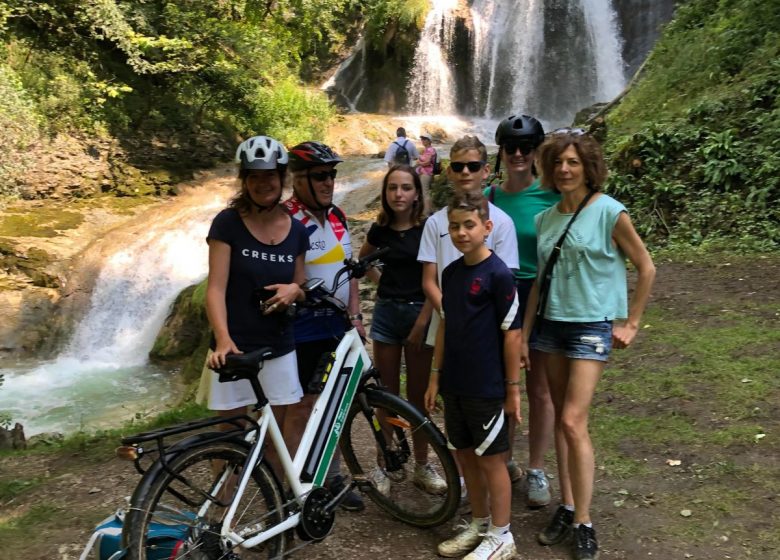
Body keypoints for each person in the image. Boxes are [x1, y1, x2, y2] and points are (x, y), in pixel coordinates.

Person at [521, 129, 655, 560]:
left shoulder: (610, 212)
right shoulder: (544, 220)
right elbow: (540, 282)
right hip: (550, 326)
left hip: (590, 327)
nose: (564, 169)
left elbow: (646, 266)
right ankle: (566, 504)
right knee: (561, 419)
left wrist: (632, 322)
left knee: (575, 421)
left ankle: (584, 522)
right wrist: (525, 335)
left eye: (573, 162)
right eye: (558, 162)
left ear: (588, 168)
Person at [424, 190, 523, 560]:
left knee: (492, 459)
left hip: (486, 384)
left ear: (487, 227)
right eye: (454, 226)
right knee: (465, 455)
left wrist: (512, 389)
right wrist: (435, 376)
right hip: (455, 382)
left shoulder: (499, 274)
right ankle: (480, 523)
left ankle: (502, 534)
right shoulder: (450, 274)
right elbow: (447, 325)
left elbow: (512, 334)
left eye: (469, 225)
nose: (462, 233)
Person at [417, 135, 519, 492]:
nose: (465, 172)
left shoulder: (501, 223)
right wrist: (453, 311)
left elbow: (504, 282)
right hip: (448, 324)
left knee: (490, 409)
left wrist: (467, 316)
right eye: (457, 166)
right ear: (447, 170)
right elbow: (429, 279)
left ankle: (499, 485)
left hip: (486, 333)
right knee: (456, 408)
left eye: (472, 166)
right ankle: (469, 487)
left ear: (485, 170)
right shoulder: (435, 224)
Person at [202, 135, 308, 452]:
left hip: (279, 346)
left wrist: (294, 290)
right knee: (229, 435)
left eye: (269, 175)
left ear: (282, 177)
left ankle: (275, 499)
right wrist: (222, 338)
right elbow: (216, 288)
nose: (263, 183)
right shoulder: (227, 224)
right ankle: (223, 501)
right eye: (255, 176)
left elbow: (301, 287)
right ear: (245, 181)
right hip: (235, 345)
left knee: (276, 434)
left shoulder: (298, 232)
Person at [282, 140, 366, 511]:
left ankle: (330, 478)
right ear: (298, 179)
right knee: (300, 407)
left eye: (331, 174)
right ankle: (293, 485)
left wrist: (356, 316)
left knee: (334, 405)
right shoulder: (285, 219)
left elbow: (349, 274)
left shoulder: (338, 216)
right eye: (320, 176)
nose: (328, 182)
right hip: (300, 329)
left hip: (336, 326)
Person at [358, 164, 446, 495]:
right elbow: (364, 261)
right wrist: (383, 286)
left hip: (419, 315)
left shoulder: (429, 229)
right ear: (385, 193)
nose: (399, 194)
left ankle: (422, 465)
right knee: (386, 395)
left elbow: (436, 279)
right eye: (393, 188)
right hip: (386, 315)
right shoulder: (379, 231)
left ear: (416, 193)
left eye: (406, 188)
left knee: (419, 396)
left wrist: (424, 320)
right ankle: (386, 462)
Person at [488, 114, 560, 507]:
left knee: (540, 389)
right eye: (510, 148)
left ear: (536, 153)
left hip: (540, 295)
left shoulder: (552, 197)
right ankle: (504, 462)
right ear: (500, 151)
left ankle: (536, 469)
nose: (518, 154)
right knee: (503, 385)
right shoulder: (489, 197)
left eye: (526, 148)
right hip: (500, 295)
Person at [416, 132, 436, 213]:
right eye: (422, 139)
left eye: (424, 139)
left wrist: (419, 163)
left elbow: (427, 163)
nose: (422, 140)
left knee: (425, 193)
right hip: (426, 173)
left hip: (426, 173)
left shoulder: (430, 150)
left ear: (429, 140)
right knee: (426, 192)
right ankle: (431, 210)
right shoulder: (427, 150)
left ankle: (426, 213)